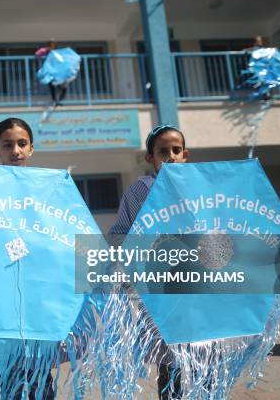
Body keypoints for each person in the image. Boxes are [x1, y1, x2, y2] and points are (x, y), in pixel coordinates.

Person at [109, 124, 189, 400]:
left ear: (185, 154)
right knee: (171, 361)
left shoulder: (202, 188)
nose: (170, 156)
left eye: (176, 150)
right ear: (150, 158)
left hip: (201, 287)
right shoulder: (139, 190)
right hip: (161, 290)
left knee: (205, 358)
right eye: (162, 151)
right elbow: (121, 232)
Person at [0, 117, 55, 399]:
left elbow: (63, 231)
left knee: (42, 374)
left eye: (21, 143)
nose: (15, 150)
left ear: (31, 148)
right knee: (12, 373)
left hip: (38, 290)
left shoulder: (49, 188)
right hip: (3, 291)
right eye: (8, 145)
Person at [35, 40, 67, 106]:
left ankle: (58, 101)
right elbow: (37, 54)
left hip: (58, 71)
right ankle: (55, 101)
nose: (53, 45)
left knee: (63, 86)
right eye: (51, 44)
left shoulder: (58, 51)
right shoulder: (46, 50)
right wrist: (46, 49)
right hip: (50, 71)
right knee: (52, 86)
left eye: (54, 44)